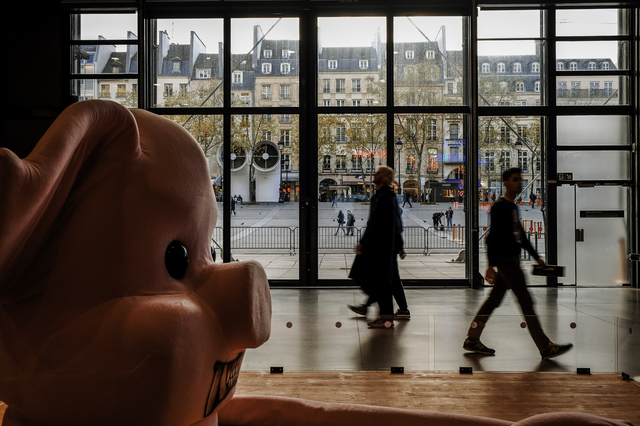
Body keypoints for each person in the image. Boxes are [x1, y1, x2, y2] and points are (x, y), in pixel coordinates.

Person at [463, 167, 573, 360]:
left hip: (510, 261)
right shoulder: (500, 207)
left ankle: (472, 339)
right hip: (508, 263)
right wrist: (491, 265)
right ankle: (545, 346)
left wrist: (536, 256)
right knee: (526, 302)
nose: (519, 183)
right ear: (505, 182)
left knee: (493, 302)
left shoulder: (513, 207)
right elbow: (493, 237)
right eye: (515, 179)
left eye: (520, 179)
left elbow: (520, 235)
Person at [349, 166, 400, 328]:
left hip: (379, 246)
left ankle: (385, 317)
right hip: (383, 246)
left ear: (384, 177)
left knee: (377, 280)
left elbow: (375, 222)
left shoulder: (382, 197)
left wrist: (363, 243)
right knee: (380, 281)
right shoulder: (387, 196)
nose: (374, 174)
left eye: (378, 173)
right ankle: (384, 314)